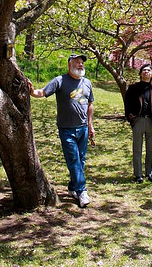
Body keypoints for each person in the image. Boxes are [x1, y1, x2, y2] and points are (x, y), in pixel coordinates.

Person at [29, 53, 95, 208]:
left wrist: (90, 125)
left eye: (82, 63)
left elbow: (89, 105)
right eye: (77, 62)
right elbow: (42, 92)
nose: (80, 65)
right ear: (69, 64)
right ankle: (82, 191)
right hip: (67, 130)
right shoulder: (60, 81)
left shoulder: (87, 83)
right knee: (74, 160)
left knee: (81, 160)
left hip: (83, 128)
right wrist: (32, 91)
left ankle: (73, 188)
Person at [124, 64, 152, 183]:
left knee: (151, 149)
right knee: (137, 149)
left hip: (151, 121)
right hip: (138, 120)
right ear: (140, 74)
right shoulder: (133, 88)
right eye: (144, 70)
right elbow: (127, 104)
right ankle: (138, 175)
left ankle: (149, 173)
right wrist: (131, 119)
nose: (146, 72)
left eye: (149, 70)